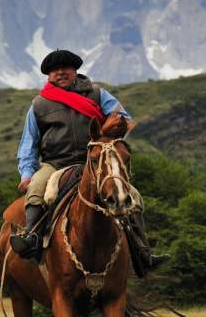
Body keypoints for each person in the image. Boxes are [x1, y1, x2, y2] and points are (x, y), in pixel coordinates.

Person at [11, 49, 168, 276]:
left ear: (75, 70)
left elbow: (124, 119)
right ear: (49, 76)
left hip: (95, 161)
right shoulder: (39, 104)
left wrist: (106, 131)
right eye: (55, 70)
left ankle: (143, 253)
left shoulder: (97, 94)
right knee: (36, 189)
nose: (61, 72)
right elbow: (29, 144)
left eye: (66, 68)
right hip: (55, 163)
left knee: (132, 195)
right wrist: (26, 174)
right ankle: (32, 239)